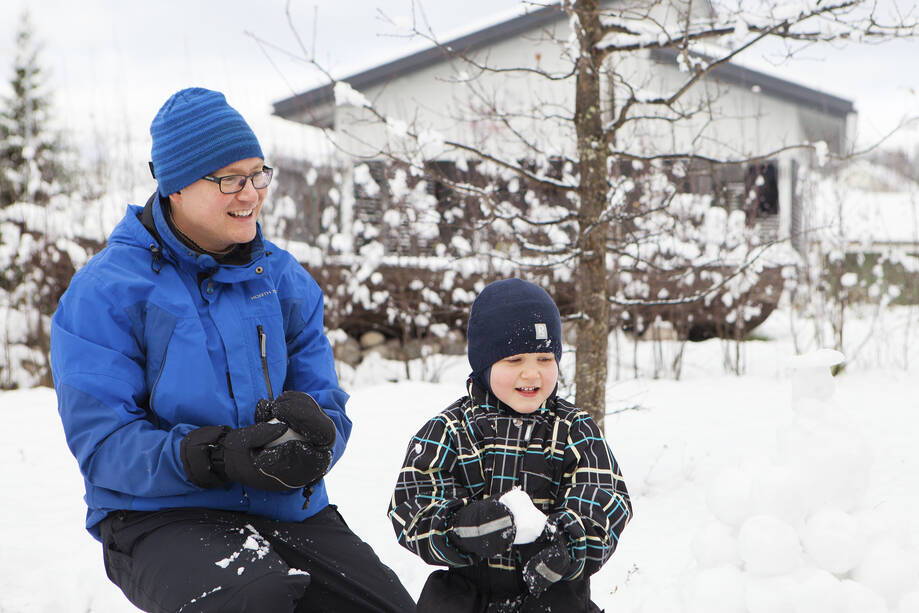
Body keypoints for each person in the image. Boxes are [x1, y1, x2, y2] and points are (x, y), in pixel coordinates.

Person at [50, 87, 415, 613]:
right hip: (158, 515)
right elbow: (104, 446)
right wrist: (214, 455)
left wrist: (317, 443)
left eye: (256, 174)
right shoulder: (105, 292)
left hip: (288, 507)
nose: (250, 195)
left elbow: (326, 403)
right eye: (228, 180)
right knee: (252, 599)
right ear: (174, 185)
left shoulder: (285, 281)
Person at [388, 278, 633, 612]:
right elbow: (411, 504)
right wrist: (459, 527)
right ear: (485, 365)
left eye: (545, 360)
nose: (532, 374)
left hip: (551, 591)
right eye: (515, 360)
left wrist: (567, 544)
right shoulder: (451, 429)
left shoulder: (575, 429)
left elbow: (604, 497)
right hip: (468, 593)